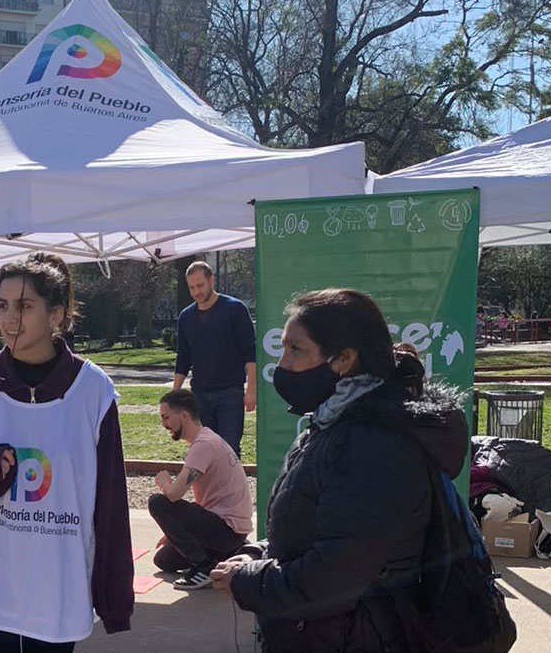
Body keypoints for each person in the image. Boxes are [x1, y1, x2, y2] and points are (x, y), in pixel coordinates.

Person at [209, 288, 468, 653]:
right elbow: (324, 529)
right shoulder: (336, 422)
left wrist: (248, 581)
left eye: (296, 350)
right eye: (282, 348)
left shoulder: (373, 445)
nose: (282, 365)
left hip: (356, 637)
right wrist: (258, 554)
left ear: (344, 358)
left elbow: (335, 577)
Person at [0, 252, 133, 652]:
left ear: (56, 315)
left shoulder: (93, 392)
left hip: (57, 587)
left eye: (24, 306)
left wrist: (113, 599)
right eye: (2, 306)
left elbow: (110, 504)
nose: (9, 319)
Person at [149, 388, 252, 590]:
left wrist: (163, 481)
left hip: (226, 531)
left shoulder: (204, 445)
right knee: (164, 561)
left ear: (184, 415)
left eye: (166, 417)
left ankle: (204, 566)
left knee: (157, 502)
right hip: (226, 529)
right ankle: (228, 554)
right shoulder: (207, 440)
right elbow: (201, 501)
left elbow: (173, 495)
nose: (164, 425)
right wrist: (174, 529)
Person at [172, 260, 257, 456]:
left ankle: (232, 487)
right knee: (204, 450)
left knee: (229, 450)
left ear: (212, 280)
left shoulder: (234, 309)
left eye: (200, 285)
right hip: (200, 394)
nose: (196, 291)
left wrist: (250, 390)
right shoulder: (186, 317)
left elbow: (250, 352)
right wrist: (174, 395)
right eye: (192, 287)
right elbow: (183, 357)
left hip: (230, 392)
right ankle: (210, 488)